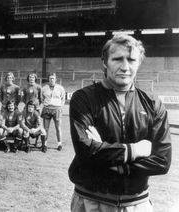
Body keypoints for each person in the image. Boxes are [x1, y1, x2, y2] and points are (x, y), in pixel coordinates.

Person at [69, 34, 172, 212]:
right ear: (105, 62)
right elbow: (85, 151)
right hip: (92, 202)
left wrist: (102, 151)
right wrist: (136, 150)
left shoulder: (153, 104)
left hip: (137, 204)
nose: (125, 67)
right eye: (117, 59)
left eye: (131, 60)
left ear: (138, 63)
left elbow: (162, 161)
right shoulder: (83, 99)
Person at [41, 72, 65, 151]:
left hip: (57, 109)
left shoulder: (60, 88)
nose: (52, 80)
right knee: (46, 128)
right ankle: (44, 144)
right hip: (47, 108)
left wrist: (58, 106)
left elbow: (63, 99)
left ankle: (59, 144)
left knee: (58, 128)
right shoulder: (44, 88)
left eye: (53, 78)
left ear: (56, 79)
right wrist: (46, 104)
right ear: (48, 79)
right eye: (50, 78)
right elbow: (41, 98)